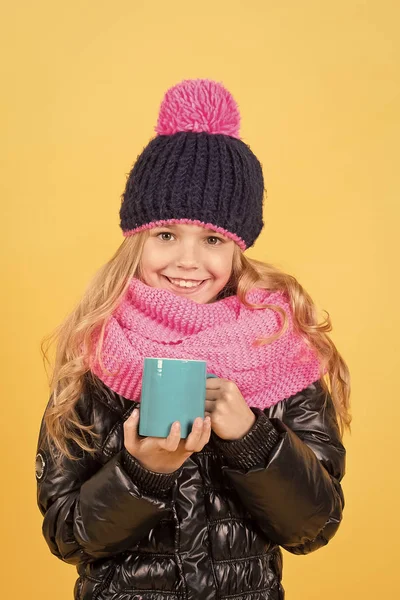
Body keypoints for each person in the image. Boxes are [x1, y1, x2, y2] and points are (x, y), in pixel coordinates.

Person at [36, 78, 351, 600]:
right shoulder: (95, 355)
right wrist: (144, 473)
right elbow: (68, 535)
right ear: (137, 239)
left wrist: (252, 438)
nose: (187, 260)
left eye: (212, 239)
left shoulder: (279, 349)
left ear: (238, 248)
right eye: (166, 235)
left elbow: (314, 526)